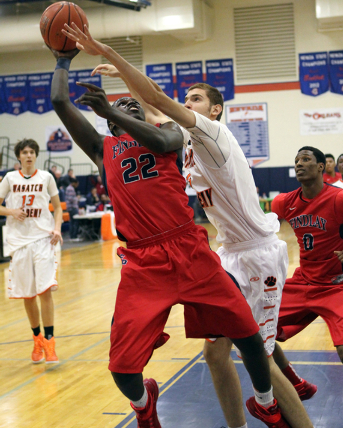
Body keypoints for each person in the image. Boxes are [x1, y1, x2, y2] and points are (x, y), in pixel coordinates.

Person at [61, 23, 313, 428]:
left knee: (259, 353)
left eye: (195, 98)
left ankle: (292, 414)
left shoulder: (211, 133)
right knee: (216, 354)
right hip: (226, 252)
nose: (186, 102)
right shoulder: (176, 140)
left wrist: (109, 53)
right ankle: (244, 419)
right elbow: (152, 106)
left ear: (214, 110)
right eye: (186, 98)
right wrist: (124, 79)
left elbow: (155, 99)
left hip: (256, 251)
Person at [270, 146, 343, 392]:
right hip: (304, 281)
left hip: (336, 285)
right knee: (255, 332)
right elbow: (259, 227)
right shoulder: (284, 201)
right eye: (296, 160)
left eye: (306, 159)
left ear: (321, 166)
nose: (299, 164)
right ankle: (296, 384)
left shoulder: (338, 198)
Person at [0, 138, 62, 363]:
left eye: (32, 152)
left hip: (43, 239)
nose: (28, 155)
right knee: (28, 294)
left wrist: (57, 229)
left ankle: (50, 342)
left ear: (36, 155)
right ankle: (36, 339)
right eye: (24, 152)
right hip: (19, 242)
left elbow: (56, 208)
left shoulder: (46, 177)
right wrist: (11, 211)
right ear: (18, 156)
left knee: (44, 290)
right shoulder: (9, 178)